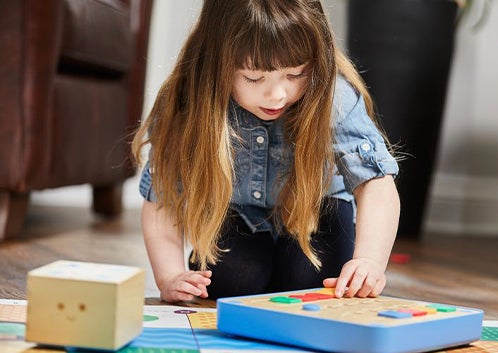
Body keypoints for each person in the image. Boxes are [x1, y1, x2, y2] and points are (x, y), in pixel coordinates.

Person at [132, 0, 400, 303]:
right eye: (254, 78)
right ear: (216, 62)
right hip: (240, 214)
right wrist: (169, 276)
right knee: (229, 282)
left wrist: (369, 262)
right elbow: (162, 198)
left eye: (295, 74)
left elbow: (376, 185)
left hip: (316, 210)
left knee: (310, 281)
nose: (277, 94)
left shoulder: (333, 95)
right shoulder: (187, 101)